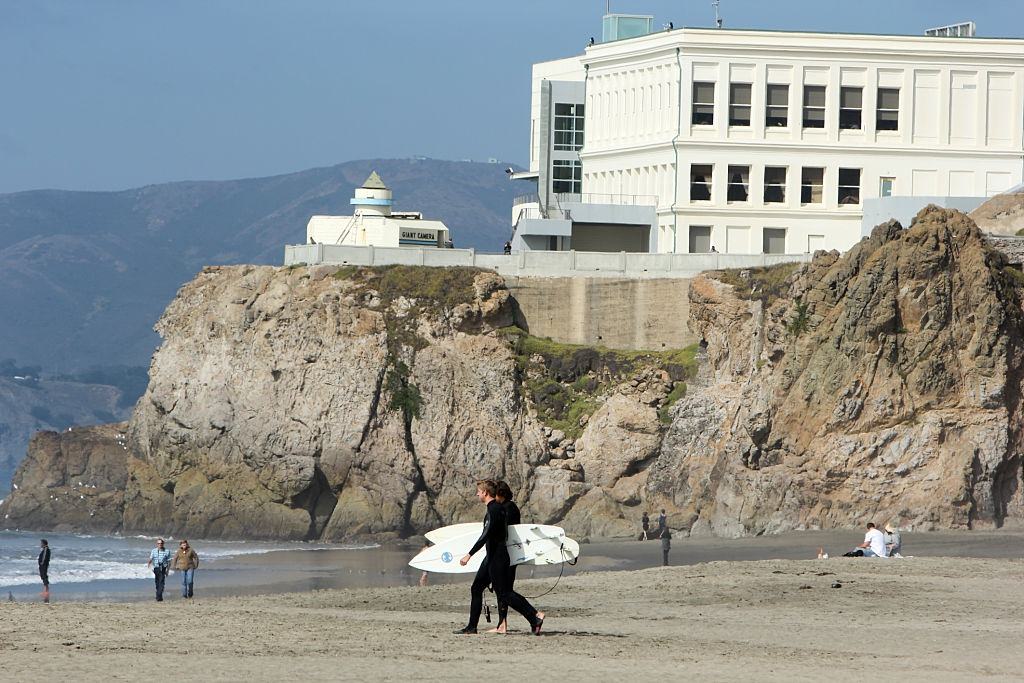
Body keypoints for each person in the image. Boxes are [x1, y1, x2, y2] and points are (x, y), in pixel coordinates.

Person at [456, 479, 544, 635]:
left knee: (504, 593)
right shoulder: (495, 508)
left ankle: (534, 616)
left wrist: (469, 554)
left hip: (498, 557)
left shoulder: (495, 509)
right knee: (476, 588)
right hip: (491, 556)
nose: (477, 494)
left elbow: (486, 535)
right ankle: (472, 627)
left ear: (485, 493)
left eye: (478, 491)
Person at [491, 480, 521, 634]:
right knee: (502, 590)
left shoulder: (509, 508)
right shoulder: (506, 507)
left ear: (500, 494)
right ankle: (502, 624)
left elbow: (505, 532)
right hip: (507, 553)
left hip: (508, 554)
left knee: (505, 590)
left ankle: (533, 615)